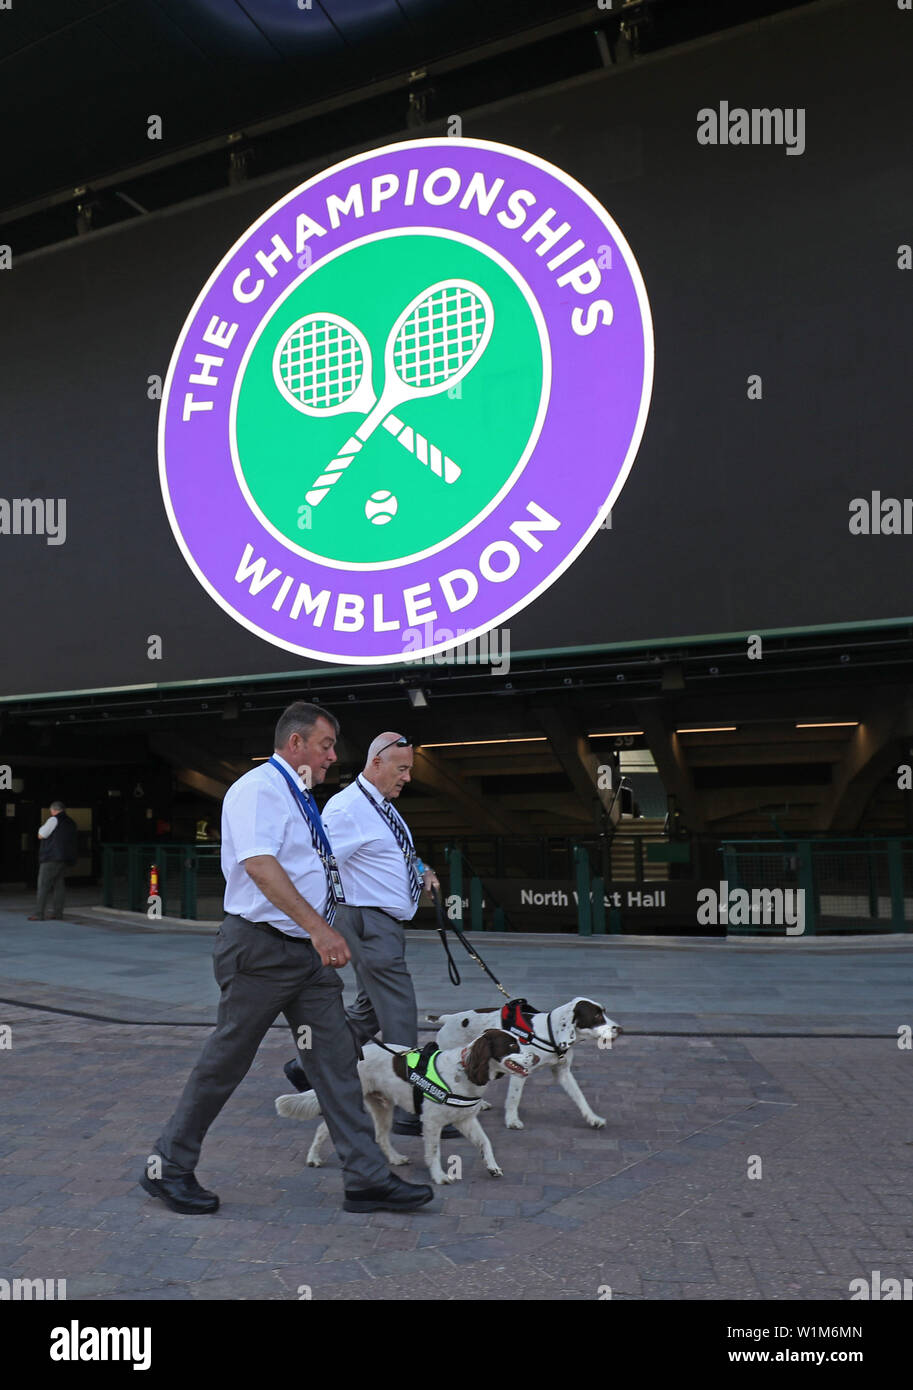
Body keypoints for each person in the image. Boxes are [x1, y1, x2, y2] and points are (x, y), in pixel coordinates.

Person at [140, 702, 432, 1216]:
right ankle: (169, 1165)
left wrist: (317, 932)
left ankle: (366, 1178)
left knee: (338, 1061)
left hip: (303, 957)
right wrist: (322, 930)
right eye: (325, 747)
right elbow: (259, 866)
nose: (332, 758)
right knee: (225, 1062)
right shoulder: (258, 789)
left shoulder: (299, 798)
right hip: (260, 949)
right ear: (295, 744)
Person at [282, 732, 454, 1138]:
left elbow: (389, 851)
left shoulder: (378, 806)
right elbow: (317, 865)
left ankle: (305, 1066)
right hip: (365, 921)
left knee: (370, 1009)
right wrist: (316, 927)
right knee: (398, 1010)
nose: (408, 777)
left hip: (379, 922)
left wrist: (421, 870)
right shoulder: (348, 809)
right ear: (376, 762)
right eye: (402, 768)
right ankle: (412, 1108)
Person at [28, 800, 78, 921]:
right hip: (65, 858)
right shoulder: (71, 822)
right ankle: (57, 913)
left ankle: (39, 913)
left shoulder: (53, 820)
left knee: (43, 885)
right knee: (59, 886)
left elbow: (41, 835)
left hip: (51, 857)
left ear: (53, 810)